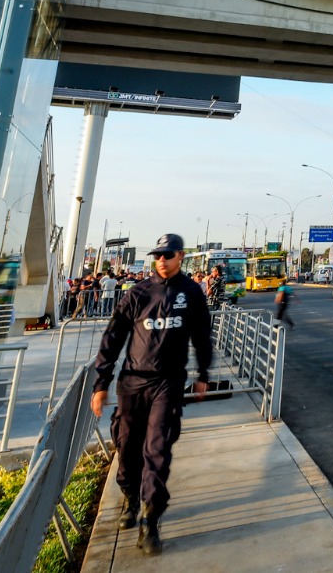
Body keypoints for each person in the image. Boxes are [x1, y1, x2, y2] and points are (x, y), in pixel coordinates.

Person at [91, 233, 212, 556]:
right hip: (132, 382)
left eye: (168, 254)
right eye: (157, 254)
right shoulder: (139, 292)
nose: (161, 259)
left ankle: (151, 520)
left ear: (180, 256)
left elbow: (202, 335)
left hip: (168, 383)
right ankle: (130, 498)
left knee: (157, 450)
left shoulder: (191, 293)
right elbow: (113, 336)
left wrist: (203, 374)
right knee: (128, 446)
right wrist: (100, 384)